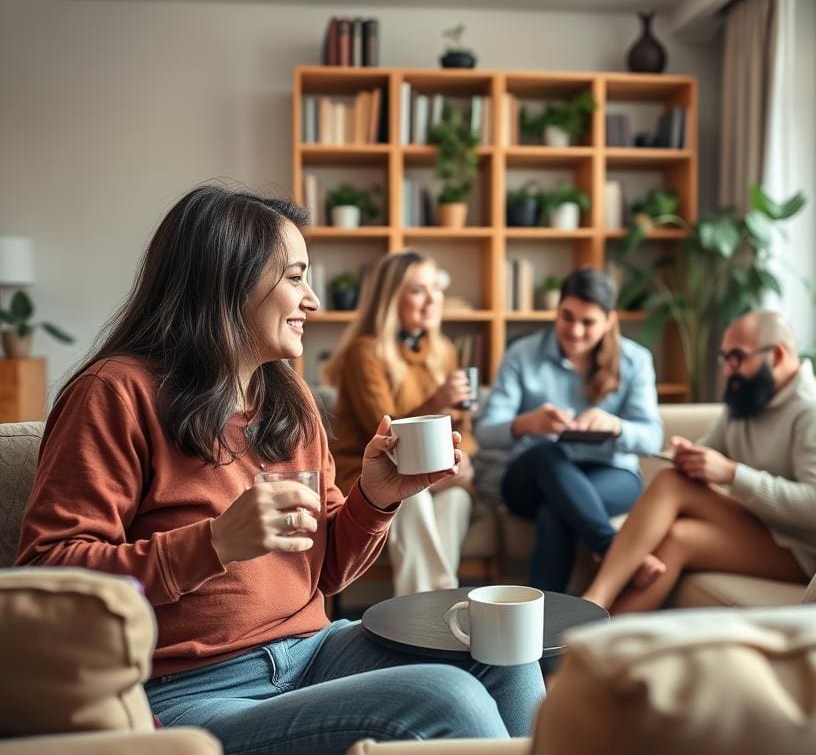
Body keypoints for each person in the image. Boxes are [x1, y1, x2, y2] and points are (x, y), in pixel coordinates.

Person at [15, 185, 543, 754]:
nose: (312, 300)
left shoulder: (288, 399)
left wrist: (376, 497)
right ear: (228, 281)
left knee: (504, 651)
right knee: (444, 697)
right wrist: (214, 543)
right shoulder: (116, 393)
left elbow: (326, 572)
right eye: (295, 278)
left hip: (312, 651)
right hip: (187, 690)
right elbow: (51, 577)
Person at [582, 310, 816, 614]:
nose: (727, 370)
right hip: (754, 523)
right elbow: (711, 448)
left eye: (737, 358)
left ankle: (593, 605)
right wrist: (690, 456)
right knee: (676, 516)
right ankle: (596, 622)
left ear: (777, 355)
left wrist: (731, 473)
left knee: (675, 505)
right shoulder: (749, 398)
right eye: (724, 358)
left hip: (799, 551)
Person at [474, 267, 663, 593]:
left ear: (609, 321)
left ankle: (545, 619)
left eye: (588, 322)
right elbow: (485, 432)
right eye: (567, 317)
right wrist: (526, 424)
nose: (574, 331)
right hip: (531, 477)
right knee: (547, 452)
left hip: (611, 474)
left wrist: (616, 426)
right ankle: (611, 548)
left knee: (556, 511)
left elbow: (652, 438)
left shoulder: (635, 360)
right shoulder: (522, 354)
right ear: (557, 310)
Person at [325, 250, 476, 596]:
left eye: (436, 288)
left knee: (456, 499)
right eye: (418, 290)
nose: (432, 299)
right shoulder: (365, 352)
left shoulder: (444, 350)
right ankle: (434, 605)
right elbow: (386, 432)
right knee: (413, 500)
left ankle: (430, 608)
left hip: (433, 473)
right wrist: (437, 401)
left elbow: (463, 428)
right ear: (391, 299)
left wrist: (463, 458)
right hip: (374, 471)